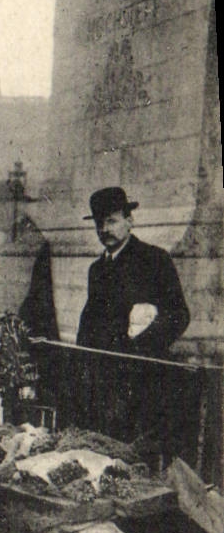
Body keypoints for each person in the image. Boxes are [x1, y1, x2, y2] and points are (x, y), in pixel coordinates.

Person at [75, 186, 190, 442]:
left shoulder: (154, 260)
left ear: (130, 221)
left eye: (112, 221)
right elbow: (89, 322)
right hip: (103, 382)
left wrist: (140, 349)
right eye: (99, 223)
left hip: (143, 380)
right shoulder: (97, 269)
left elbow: (179, 315)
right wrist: (81, 362)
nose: (105, 230)